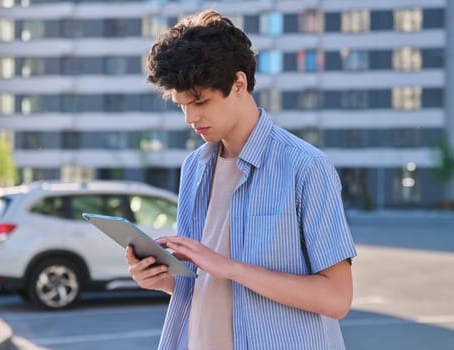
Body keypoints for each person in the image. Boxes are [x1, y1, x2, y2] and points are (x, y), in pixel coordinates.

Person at [125, 9, 357, 350]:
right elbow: (207, 284)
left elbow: (337, 298)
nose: (190, 117)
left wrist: (229, 267)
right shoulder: (195, 167)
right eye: (181, 104)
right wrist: (161, 278)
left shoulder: (305, 167)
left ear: (239, 83)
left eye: (200, 100)